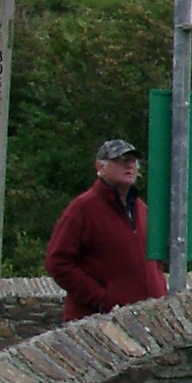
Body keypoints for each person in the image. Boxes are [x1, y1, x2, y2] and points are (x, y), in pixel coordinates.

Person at [45, 138, 168, 322]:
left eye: (133, 161)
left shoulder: (142, 209)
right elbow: (57, 263)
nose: (129, 166)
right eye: (120, 160)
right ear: (100, 167)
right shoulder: (83, 208)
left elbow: (155, 261)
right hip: (98, 323)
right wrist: (100, 298)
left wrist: (159, 292)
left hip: (146, 320)